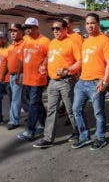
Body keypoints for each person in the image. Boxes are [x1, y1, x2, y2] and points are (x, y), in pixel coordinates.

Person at [33, 19, 81, 148]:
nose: (55, 31)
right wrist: (44, 66)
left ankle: (78, 132)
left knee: (71, 110)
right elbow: (49, 57)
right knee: (51, 110)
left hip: (67, 81)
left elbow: (79, 61)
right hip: (53, 81)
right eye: (53, 29)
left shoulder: (72, 42)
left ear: (65, 29)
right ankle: (48, 138)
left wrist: (68, 70)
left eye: (58, 29)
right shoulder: (52, 42)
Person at [71, 13, 109, 150]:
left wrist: (104, 81)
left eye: (92, 23)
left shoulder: (104, 40)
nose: (90, 25)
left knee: (98, 113)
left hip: (96, 82)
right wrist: (68, 69)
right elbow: (82, 61)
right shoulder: (85, 41)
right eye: (87, 23)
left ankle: (100, 138)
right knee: (76, 109)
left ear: (98, 24)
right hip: (82, 82)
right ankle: (84, 137)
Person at [16, 17, 49, 140]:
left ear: (36, 27)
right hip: (27, 78)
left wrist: (43, 64)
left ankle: (30, 130)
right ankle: (45, 124)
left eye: (30, 27)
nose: (27, 30)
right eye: (26, 28)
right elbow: (21, 58)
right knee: (37, 102)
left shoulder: (44, 41)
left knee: (34, 103)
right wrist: (19, 74)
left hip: (38, 78)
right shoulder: (25, 40)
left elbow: (49, 56)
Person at [6, 23, 28, 130]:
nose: (12, 33)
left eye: (15, 31)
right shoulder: (11, 45)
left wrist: (18, 75)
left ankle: (14, 121)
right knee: (21, 99)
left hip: (20, 75)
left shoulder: (24, 44)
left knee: (15, 99)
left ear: (21, 32)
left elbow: (23, 61)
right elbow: (8, 61)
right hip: (11, 76)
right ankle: (35, 113)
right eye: (11, 31)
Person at [0, 31, 12, 127]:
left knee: (13, 100)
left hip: (9, 79)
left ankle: (13, 119)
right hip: (0, 79)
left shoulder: (10, 48)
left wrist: (4, 75)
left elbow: (9, 64)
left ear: (3, 38)